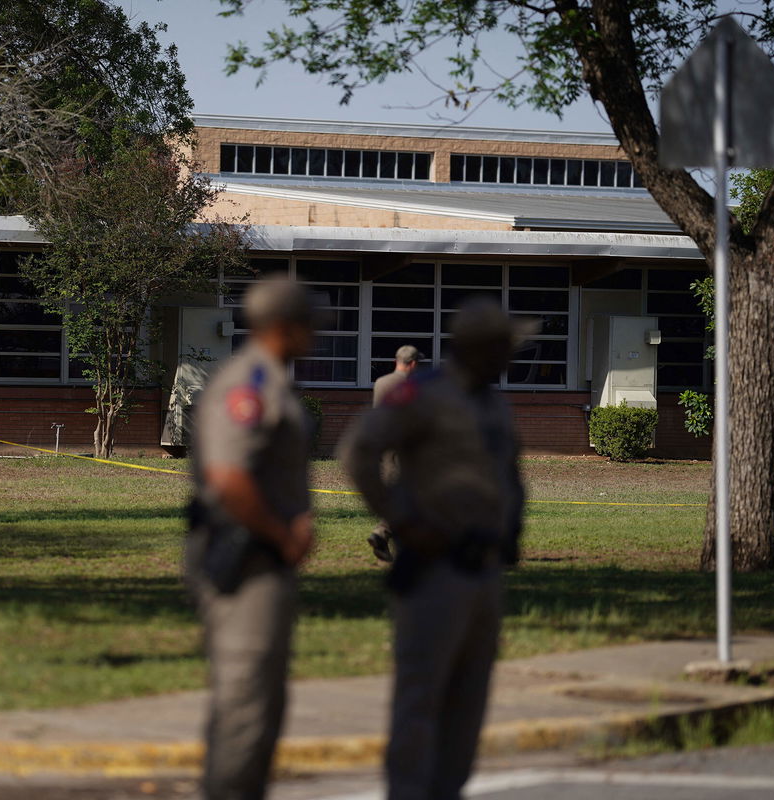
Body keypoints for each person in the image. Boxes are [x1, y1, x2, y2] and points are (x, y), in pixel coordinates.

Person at [338, 298, 529, 800]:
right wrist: (400, 519)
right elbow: (359, 452)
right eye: (503, 347)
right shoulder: (423, 393)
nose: (510, 356)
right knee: (422, 696)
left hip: (485, 569)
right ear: (478, 348)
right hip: (435, 568)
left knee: (469, 702)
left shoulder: (494, 402)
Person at [185, 275, 317, 800]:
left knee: (262, 706)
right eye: (310, 323)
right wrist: (282, 533)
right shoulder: (248, 385)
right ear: (286, 325)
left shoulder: (272, 379)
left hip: (266, 560)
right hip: (245, 560)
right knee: (245, 707)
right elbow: (229, 478)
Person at [367, 345, 424, 562]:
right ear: (413, 363)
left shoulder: (381, 383)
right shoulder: (413, 385)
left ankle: (387, 538)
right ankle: (383, 533)